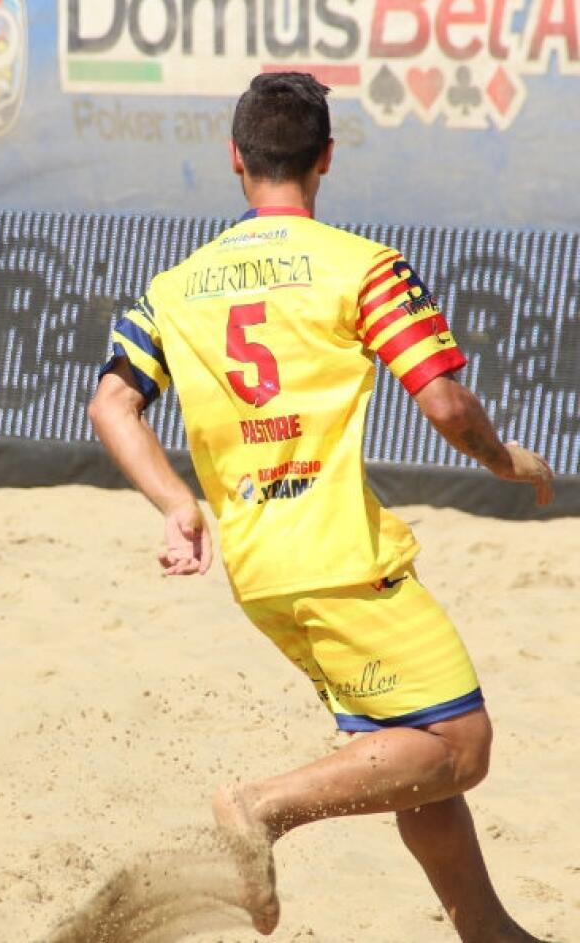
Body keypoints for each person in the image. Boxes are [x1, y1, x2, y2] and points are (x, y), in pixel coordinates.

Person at [87, 74, 554, 940]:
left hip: (260, 568)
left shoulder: (177, 283)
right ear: (327, 157)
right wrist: (505, 458)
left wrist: (177, 502)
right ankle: (260, 806)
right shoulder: (362, 265)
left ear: (236, 158)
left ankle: (489, 929)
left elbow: (111, 403)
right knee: (461, 743)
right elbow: (446, 404)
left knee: (406, 738)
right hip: (341, 554)